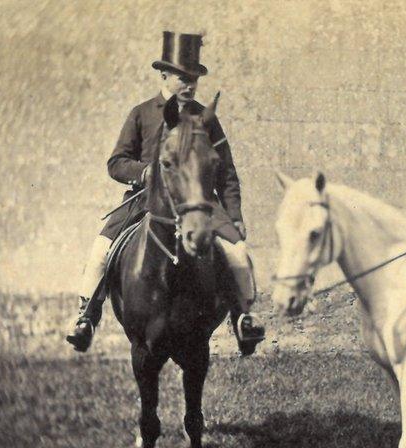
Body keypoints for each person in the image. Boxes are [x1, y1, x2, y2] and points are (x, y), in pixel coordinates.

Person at [65, 31, 265, 354]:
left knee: (237, 251)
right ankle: (86, 316)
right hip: (145, 202)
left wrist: (235, 216)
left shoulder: (206, 118)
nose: (189, 85)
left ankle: (244, 318)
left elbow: (226, 173)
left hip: (198, 206)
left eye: (194, 79)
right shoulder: (141, 113)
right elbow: (116, 162)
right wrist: (143, 172)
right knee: (101, 248)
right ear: (164, 75)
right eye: (183, 78)